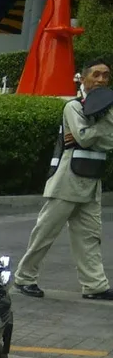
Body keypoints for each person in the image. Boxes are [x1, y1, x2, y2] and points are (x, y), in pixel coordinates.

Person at [15, 58, 113, 301]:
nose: (101, 79)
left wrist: (90, 135)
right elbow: (85, 137)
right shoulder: (73, 106)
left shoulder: (104, 109)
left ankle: (95, 285)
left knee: (90, 236)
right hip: (67, 180)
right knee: (45, 232)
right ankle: (24, 278)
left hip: (91, 182)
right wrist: (100, 130)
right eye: (96, 74)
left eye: (106, 75)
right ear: (84, 78)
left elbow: (92, 139)